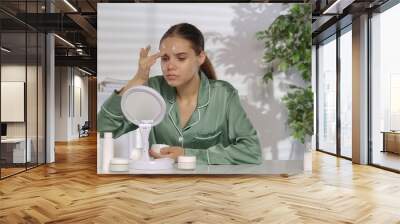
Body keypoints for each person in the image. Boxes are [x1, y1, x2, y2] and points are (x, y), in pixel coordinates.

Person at [98, 23, 262, 165]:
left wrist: (188, 155)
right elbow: (104, 130)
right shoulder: (153, 91)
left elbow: (252, 151)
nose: (170, 66)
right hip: (162, 190)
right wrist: (137, 79)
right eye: (165, 59)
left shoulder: (224, 95)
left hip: (212, 191)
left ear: (200, 58)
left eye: (181, 58)